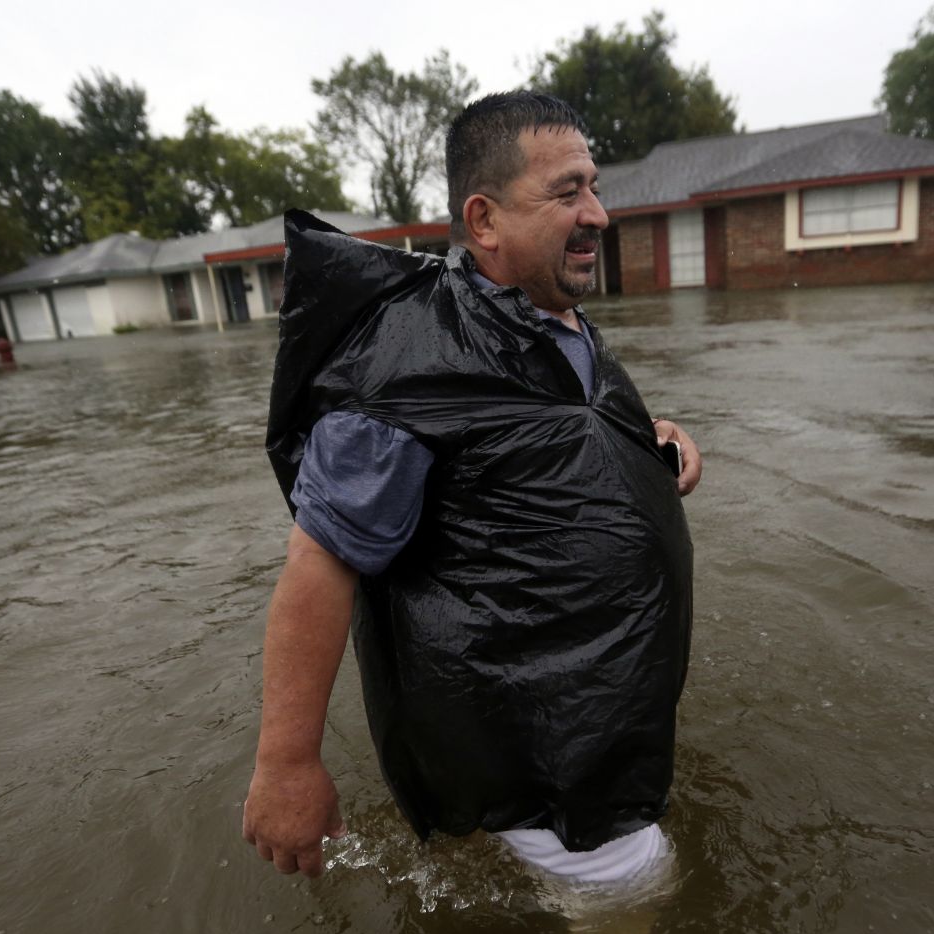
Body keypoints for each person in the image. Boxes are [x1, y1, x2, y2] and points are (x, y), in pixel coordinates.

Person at [242, 92, 701, 884]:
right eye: (566, 193)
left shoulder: (551, 311)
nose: (597, 213)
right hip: (538, 763)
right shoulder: (410, 367)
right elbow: (321, 560)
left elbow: (550, 423)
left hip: (603, 720)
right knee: (641, 928)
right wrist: (287, 766)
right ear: (484, 221)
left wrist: (649, 440)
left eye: (593, 185)